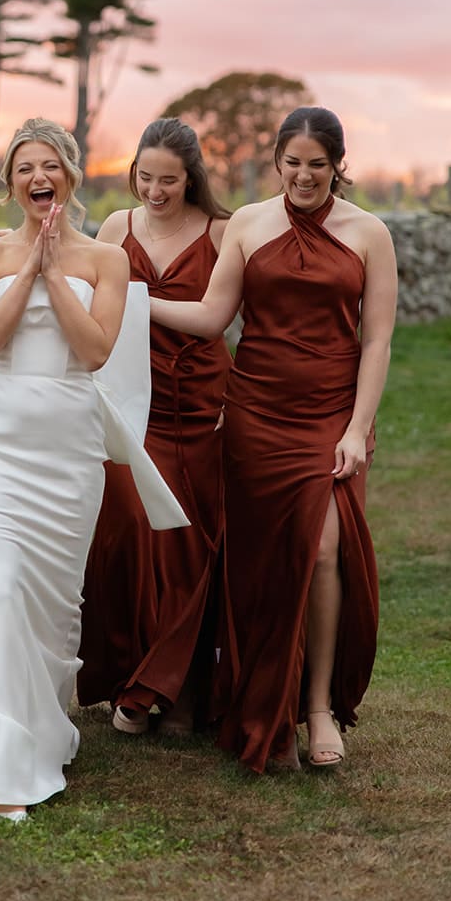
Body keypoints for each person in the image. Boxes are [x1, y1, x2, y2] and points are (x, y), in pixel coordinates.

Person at [0, 119, 187, 820]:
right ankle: (1, 767)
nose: (36, 177)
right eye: (23, 168)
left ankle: (44, 732)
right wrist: (26, 268)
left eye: (48, 165)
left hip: (67, 452)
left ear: (71, 176)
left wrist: (55, 269)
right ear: (10, 185)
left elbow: (93, 353)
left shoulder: (105, 262)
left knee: (53, 611)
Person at [147, 107, 397, 772]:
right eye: (292, 163)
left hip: (328, 413)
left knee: (320, 552)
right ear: (276, 162)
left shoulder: (368, 233)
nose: (303, 176)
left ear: (337, 165)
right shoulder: (249, 225)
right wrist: (129, 298)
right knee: (258, 562)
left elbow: (375, 339)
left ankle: (316, 707)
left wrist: (356, 428)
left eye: (317, 165)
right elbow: (208, 318)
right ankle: (256, 696)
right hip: (254, 410)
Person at [78, 118, 231, 736]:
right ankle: (135, 679)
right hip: (130, 404)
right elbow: (89, 303)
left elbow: (217, 319)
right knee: (128, 539)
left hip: (200, 405)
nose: (155, 191)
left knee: (190, 546)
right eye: (144, 177)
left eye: (168, 180)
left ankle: (181, 690)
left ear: (190, 177)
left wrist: (136, 297)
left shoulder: (223, 231)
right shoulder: (117, 228)